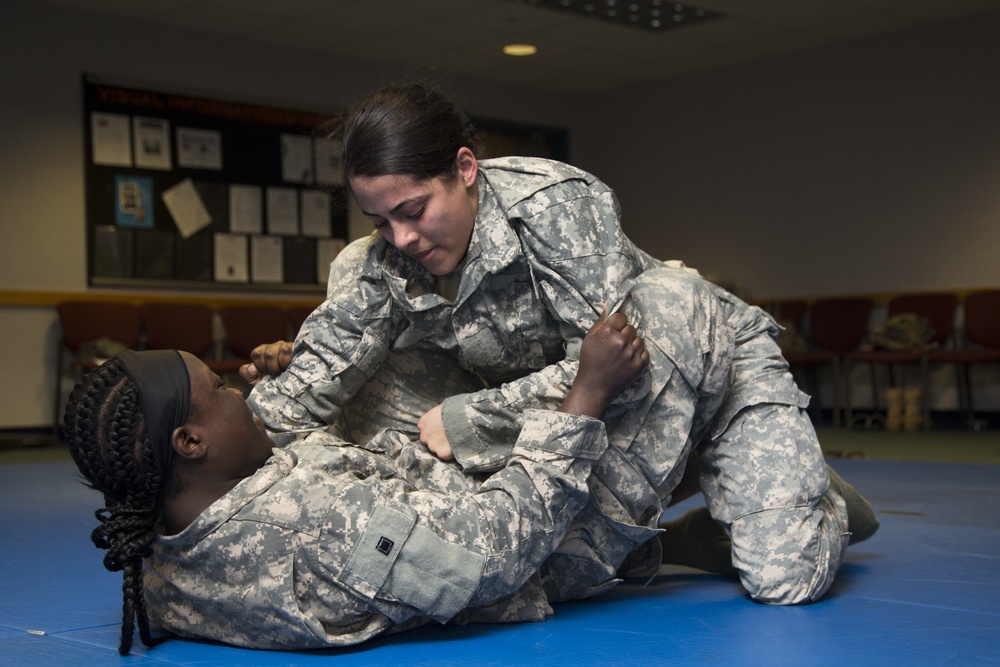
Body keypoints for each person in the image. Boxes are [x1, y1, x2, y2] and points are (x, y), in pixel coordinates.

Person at [244, 83, 877, 608]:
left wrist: (471, 419)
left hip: (690, 361)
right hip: (580, 412)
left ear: (465, 170)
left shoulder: (553, 207)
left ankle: (803, 489)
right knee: (366, 398)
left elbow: (620, 361)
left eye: (413, 210)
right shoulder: (378, 262)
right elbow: (312, 381)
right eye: (380, 220)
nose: (401, 237)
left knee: (784, 579)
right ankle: (679, 529)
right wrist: (200, 475)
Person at [63, 309, 650, 654]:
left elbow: (279, 454)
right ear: (189, 443)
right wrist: (586, 394)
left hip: (419, 487)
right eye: (219, 392)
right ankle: (647, 536)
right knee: (670, 326)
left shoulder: (158, 536)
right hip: (541, 541)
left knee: (385, 362)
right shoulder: (317, 531)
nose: (238, 393)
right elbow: (495, 551)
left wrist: (290, 378)